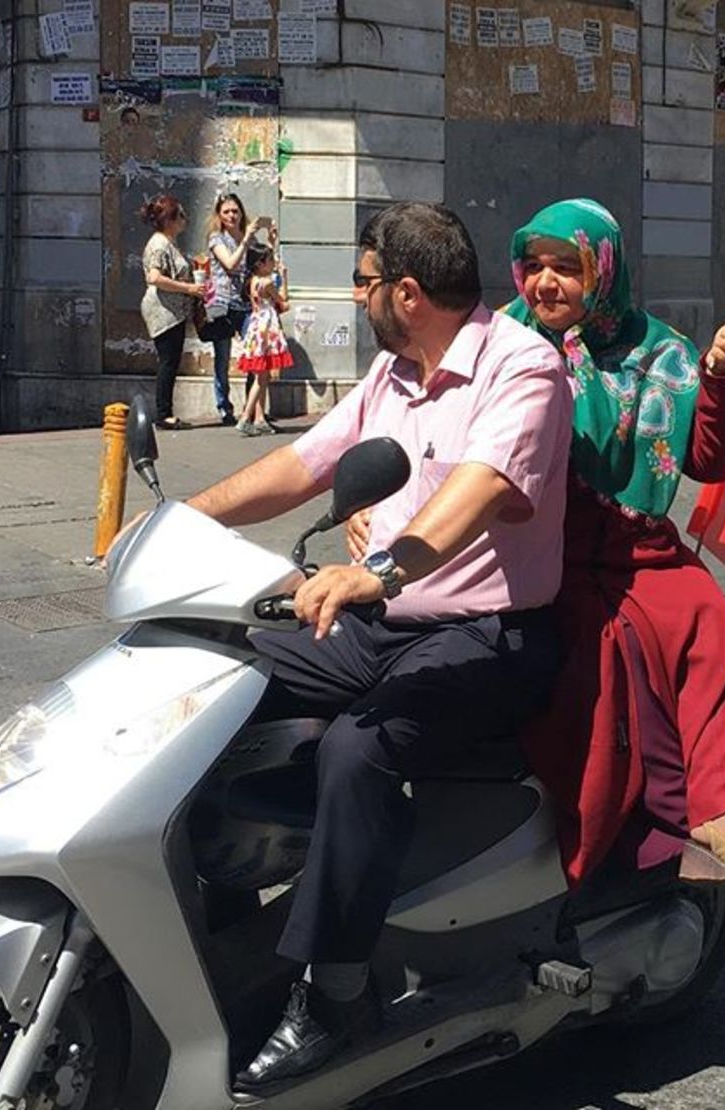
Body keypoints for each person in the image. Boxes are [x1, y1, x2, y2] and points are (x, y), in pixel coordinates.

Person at [180, 202, 572, 1089]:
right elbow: (302, 465)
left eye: (363, 284)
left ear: (405, 290)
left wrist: (381, 571)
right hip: (380, 624)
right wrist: (179, 521)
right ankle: (223, 894)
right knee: (213, 675)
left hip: (489, 635)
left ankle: (335, 993)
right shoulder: (392, 377)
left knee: (358, 750)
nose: (357, 299)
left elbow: (478, 490)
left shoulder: (522, 368)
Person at [503, 198, 725, 896]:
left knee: (708, 620)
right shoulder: (498, 346)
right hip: (539, 544)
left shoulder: (658, 349)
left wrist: (721, 376)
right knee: (597, 652)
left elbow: (709, 461)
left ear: (603, 272)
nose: (545, 283)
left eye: (565, 267)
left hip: (636, 545)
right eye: (532, 265)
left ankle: (724, 812)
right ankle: (621, 836)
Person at [138, 194, 204, 429]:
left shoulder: (168, 243)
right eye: (181, 216)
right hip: (164, 311)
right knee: (168, 361)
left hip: (173, 310)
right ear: (170, 220)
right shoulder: (159, 244)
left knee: (171, 361)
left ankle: (165, 411)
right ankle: (164, 414)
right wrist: (188, 287)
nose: (185, 220)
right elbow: (154, 277)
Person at [204, 192, 263, 426]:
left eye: (235, 211)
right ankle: (224, 408)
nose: (232, 216)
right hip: (223, 303)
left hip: (248, 303)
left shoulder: (249, 237)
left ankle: (251, 408)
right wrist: (246, 239)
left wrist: (271, 239)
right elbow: (230, 264)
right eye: (227, 211)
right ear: (219, 214)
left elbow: (262, 262)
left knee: (253, 354)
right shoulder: (216, 238)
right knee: (223, 358)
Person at [236, 240, 293, 436]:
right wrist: (284, 278)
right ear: (260, 263)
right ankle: (245, 417)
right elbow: (283, 301)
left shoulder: (252, 280)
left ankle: (256, 419)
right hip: (266, 329)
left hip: (256, 327)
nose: (272, 263)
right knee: (261, 378)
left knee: (261, 375)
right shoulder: (267, 282)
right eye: (269, 260)